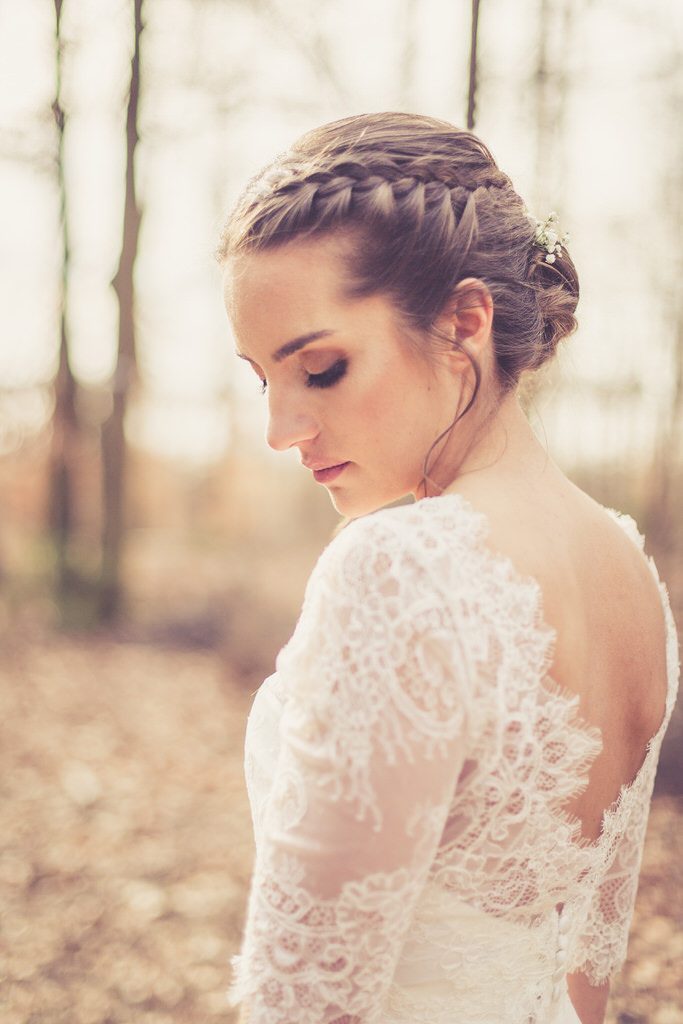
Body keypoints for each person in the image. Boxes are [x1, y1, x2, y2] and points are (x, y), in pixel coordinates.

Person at [216, 112, 679, 1024]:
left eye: (322, 368)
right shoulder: (631, 571)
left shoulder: (401, 571)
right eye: (260, 379)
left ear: (465, 321)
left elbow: (305, 1004)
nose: (280, 430)